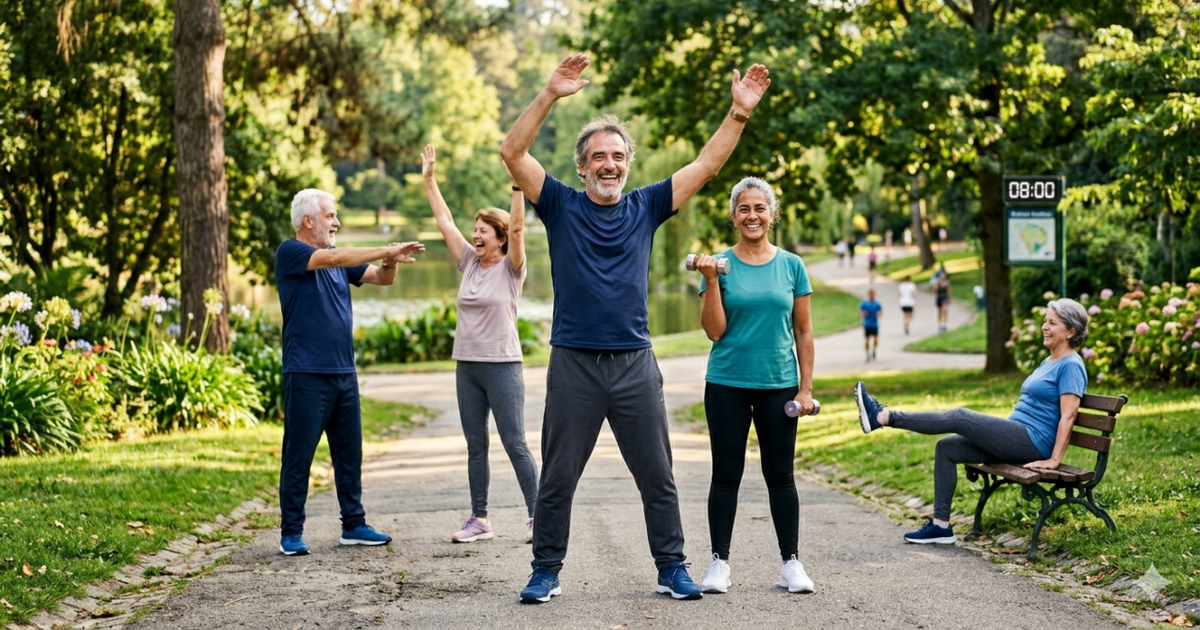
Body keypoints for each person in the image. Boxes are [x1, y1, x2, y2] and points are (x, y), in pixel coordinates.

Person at [500, 53, 771, 604]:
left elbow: (706, 166)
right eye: (598, 156)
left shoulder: (647, 206)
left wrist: (739, 114)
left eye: (618, 156)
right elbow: (512, 153)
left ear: (627, 164)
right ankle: (545, 570)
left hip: (634, 364)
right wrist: (549, 93)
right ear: (582, 167)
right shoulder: (558, 203)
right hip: (574, 363)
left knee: (659, 477)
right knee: (556, 480)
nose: (609, 164)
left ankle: (671, 566)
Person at [852, 299, 1089, 544]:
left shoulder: (1071, 365)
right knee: (947, 447)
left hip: (1033, 442)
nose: (1045, 327)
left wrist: (1054, 459)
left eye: (1052, 323)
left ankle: (882, 417)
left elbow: (1068, 415)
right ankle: (941, 525)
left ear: (1071, 331)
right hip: (1017, 436)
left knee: (959, 416)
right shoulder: (1048, 361)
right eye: (1045, 321)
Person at [274, 189, 425, 556]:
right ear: (307, 221)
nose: (337, 222)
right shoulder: (291, 252)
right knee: (299, 454)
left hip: (344, 371)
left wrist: (390, 261)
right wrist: (385, 249)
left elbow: (381, 278)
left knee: (349, 454)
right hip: (306, 372)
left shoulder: (339, 260)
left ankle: (353, 525)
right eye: (330, 216)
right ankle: (291, 532)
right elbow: (335, 257)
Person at [692, 177, 816, 596]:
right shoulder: (719, 264)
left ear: (772, 214)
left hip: (778, 383)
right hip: (727, 381)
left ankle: (791, 564)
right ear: (733, 217)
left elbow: (804, 332)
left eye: (759, 208)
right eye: (744, 209)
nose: (752, 216)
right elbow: (714, 331)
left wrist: (805, 389)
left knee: (780, 475)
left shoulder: (792, 265)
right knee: (726, 475)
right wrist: (711, 281)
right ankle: (719, 563)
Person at [421, 145, 539, 545]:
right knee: (476, 445)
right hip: (466, 366)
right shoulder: (469, 262)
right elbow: (444, 220)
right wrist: (430, 180)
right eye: (475, 231)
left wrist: (517, 184)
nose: (475, 236)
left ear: (501, 238)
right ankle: (480, 519)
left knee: (514, 443)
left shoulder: (511, 268)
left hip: (502, 365)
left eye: (483, 231)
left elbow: (521, 228)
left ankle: (538, 516)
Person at [859, 288, 882, 362]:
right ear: (868, 295)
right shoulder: (864, 303)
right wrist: (863, 313)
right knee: (867, 340)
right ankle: (867, 354)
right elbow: (860, 311)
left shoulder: (877, 303)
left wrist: (879, 314)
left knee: (875, 339)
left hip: (875, 324)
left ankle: (874, 350)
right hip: (867, 324)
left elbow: (881, 312)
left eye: (873, 294)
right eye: (871, 294)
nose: (872, 295)